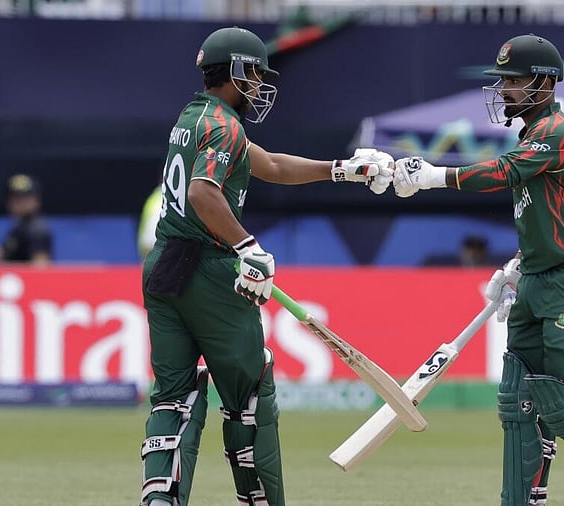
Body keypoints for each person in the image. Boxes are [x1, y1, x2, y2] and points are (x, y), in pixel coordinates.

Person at [392, 34, 564, 506]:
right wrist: (519, 265)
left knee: (562, 395)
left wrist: (435, 176)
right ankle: (525, 499)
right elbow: (543, 216)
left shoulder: (559, 130)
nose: (504, 90)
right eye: (503, 81)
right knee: (521, 398)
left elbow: (504, 172)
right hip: (539, 277)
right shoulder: (532, 134)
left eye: (514, 81)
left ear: (544, 83)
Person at [138, 26, 393, 506]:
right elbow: (202, 192)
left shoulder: (193, 118)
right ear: (235, 71)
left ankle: (159, 499)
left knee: (173, 396)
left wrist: (342, 169)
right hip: (207, 271)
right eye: (254, 74)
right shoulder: (224, 126)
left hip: (165, 268)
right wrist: (247, 246)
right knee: (251, 396)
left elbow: (270, 165)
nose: (259, 85)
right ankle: (260, 500)